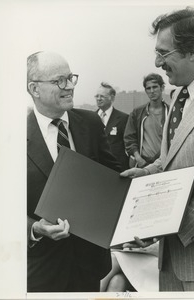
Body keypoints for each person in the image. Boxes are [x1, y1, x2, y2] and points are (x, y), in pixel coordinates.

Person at [121, 8, 194, 291]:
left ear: (193, 51)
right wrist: (145, 172)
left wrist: (161, 226)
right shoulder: (180, 94)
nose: (157, 63)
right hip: (170, 267)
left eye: (163, 53)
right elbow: (171, 159)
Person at [27, 51, 121, 292]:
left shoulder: (90, 123)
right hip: (40, 269)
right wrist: (35, 228)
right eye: (60, 80)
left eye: (71, 78)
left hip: (88, 266)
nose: (69, 86)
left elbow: (113, 181)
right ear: (34, 89)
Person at [124, 73, 169, 168]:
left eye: (155, 87)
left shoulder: (171, 112)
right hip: (142, 162)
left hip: (163, 163)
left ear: (162, 88)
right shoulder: (137, 113)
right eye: (148, 88)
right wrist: (138, 158)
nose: (152, 91)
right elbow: (129, 138)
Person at [95, 82, 129, 171]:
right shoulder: (90, 118)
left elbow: (128, 144)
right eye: (97, 96)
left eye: (102, 96)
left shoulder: (123, 118)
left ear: (112, 97)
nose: (98, 99)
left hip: (117, 168)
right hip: (96, 167)